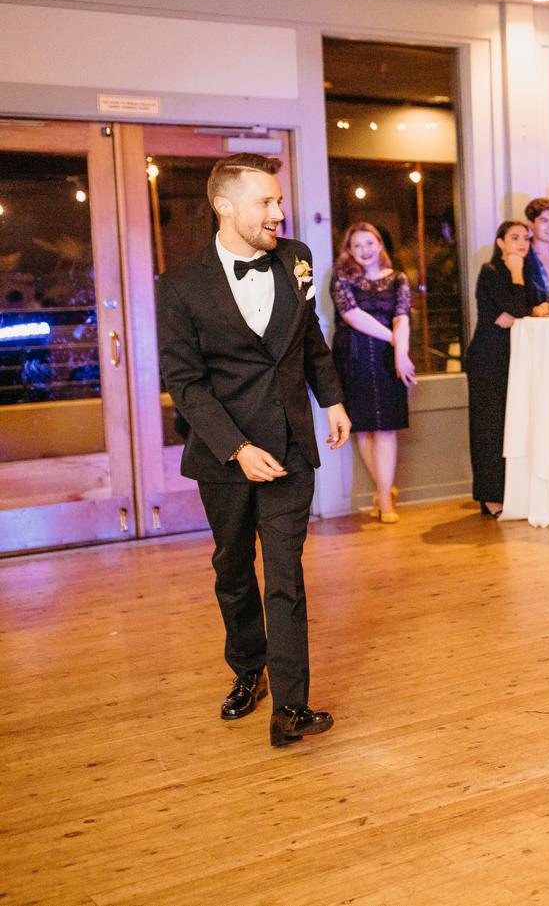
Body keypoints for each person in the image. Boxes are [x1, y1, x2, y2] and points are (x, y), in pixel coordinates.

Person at [155, 153, 350, 746]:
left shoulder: (297, 261)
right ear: (225, 207)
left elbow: (309, 338)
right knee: (234, 570)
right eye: (265, 202)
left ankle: (291, 706)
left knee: (285, 575)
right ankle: (248, 671)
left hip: (290, 444)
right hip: (225, 456)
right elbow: (184, 383)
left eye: (279, 200)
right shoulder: (181, 286)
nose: (279, 212)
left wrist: (333, 400)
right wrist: (237, 448)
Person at [329, 220, 416, 523]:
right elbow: (352, 316)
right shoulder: (342, 277)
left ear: (380, 244)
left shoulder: (399, 278)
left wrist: (401, 354)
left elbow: (402, 317)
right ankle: (384, 491)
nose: (364, 250)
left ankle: (384, 500)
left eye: (370, 243)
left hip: (386, 357)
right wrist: (394, 341)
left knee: (387, 427)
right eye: (357, 245)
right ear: (349, 251)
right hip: (353, 354)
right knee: (364, 427)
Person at [464, 219, 531, 517]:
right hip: (488, 360)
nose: (522, 243)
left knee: (509, 427)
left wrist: (519, 313)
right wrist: (517, 276)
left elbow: (525, 311)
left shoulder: (525, 273)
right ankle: (490, 497)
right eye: (515, 237)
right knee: (488, 429)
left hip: (513, 359)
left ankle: (511, 491)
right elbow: (519, 308)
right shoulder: (490, 271)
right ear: (500, 242)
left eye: (526, 239)